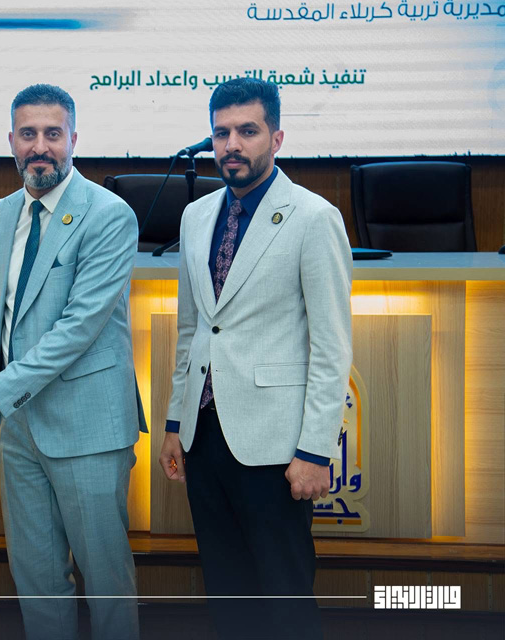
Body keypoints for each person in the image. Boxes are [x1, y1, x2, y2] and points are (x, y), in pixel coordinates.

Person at [0, 84, 147, 640]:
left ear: (74, 138)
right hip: (20, 427)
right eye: (28, 134)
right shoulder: (2, 213)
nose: (40, 146)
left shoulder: (109, 215)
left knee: (105, 580)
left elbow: (77, 328)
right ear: (11, 140)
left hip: (88, 426)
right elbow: (14, 312)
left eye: (53, 134)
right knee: (36, 578)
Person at [159, 78, 352, 640]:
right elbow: (193, 329)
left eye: (247, 131)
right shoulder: (196, 216)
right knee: (227, 593)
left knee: (284, 596)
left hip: (275, 444)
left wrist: (315, 450)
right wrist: (174, 422)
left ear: (277, 138)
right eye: (221, 133)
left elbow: (331, 346)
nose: (232, 145)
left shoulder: (313, 217)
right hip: (204, 437)